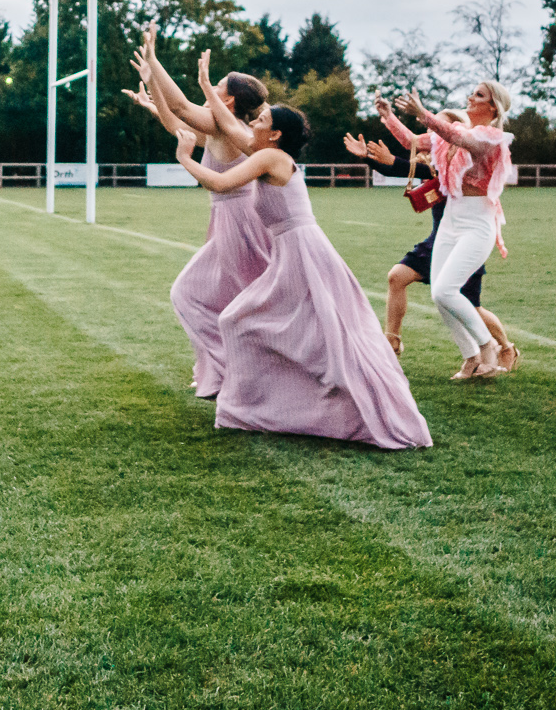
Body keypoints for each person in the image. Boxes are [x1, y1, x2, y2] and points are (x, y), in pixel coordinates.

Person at [173, 98, 431, 449]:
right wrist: (206, 87)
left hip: (302, 253)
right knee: (251, 323)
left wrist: (184, 158)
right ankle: (252, 407)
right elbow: (230, 127)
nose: (252, 124)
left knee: (259, 325)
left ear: (275, 134)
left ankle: (254, 408)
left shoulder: (269, 157)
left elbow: (220, 184)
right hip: (293, 252)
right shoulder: (267, 152)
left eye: (260, 120)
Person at [122, 30, 272, 397]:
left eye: (217, 84)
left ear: (229, 99)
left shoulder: (228, 126)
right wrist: (152, 87)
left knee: (194, 295)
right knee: (220, 299)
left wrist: (156, 63)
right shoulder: (225, 127)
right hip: (229, 222)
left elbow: (181, 109)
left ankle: (234, 370)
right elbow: (177, 125)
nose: (212, 87)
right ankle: (227, 369)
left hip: (239, 225)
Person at [342, 131, 519, 368]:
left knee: (471, 307)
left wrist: (388, 158)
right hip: (436, 242)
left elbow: (401, 166)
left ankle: (506, 347)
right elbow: (398, 169)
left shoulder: (463, 168)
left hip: (464, 244)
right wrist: (367, 156)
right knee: (397, 277)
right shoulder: (437, 167)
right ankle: (392, 341)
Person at [378, 83, 517, 380]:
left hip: (477, 223)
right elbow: (412, 142)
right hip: (451, 220)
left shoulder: (489, 138)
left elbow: (457, 135)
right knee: (438, 297)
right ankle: (470, 358)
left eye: (479, 95)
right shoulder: (450, 138)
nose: (470, 97)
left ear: (493, 107)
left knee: (445, 290)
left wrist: (423, 113)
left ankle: (488, 345)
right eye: (472, 92)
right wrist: (388, 116)